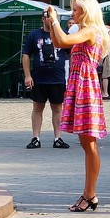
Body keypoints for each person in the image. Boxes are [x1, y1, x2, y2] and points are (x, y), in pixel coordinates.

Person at [45, 0, 110, 212]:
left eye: (76, 10)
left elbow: (62, 41)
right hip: (81, 83)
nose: (73, 13)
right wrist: (51, 24)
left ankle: (90, 194)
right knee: (86, 143)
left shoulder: (90, 30)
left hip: (85, 85)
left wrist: (54, 20)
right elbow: (57, 41)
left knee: (89, 143)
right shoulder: (87, 30)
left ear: (86, 11)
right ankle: (89, 193)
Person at [22, 12, 70, 150]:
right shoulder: (34, 35)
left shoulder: (62, 34)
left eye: (53, 18)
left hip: (58, 78)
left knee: (57, 108)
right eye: (49, 18)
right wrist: (27, 75)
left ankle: (58, 138)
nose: (52, 20)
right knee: (37, 107)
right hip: (39, 79)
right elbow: (26, 55)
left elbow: (71, 53)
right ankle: (36, 138)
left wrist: (71, 73)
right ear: (43, 19)